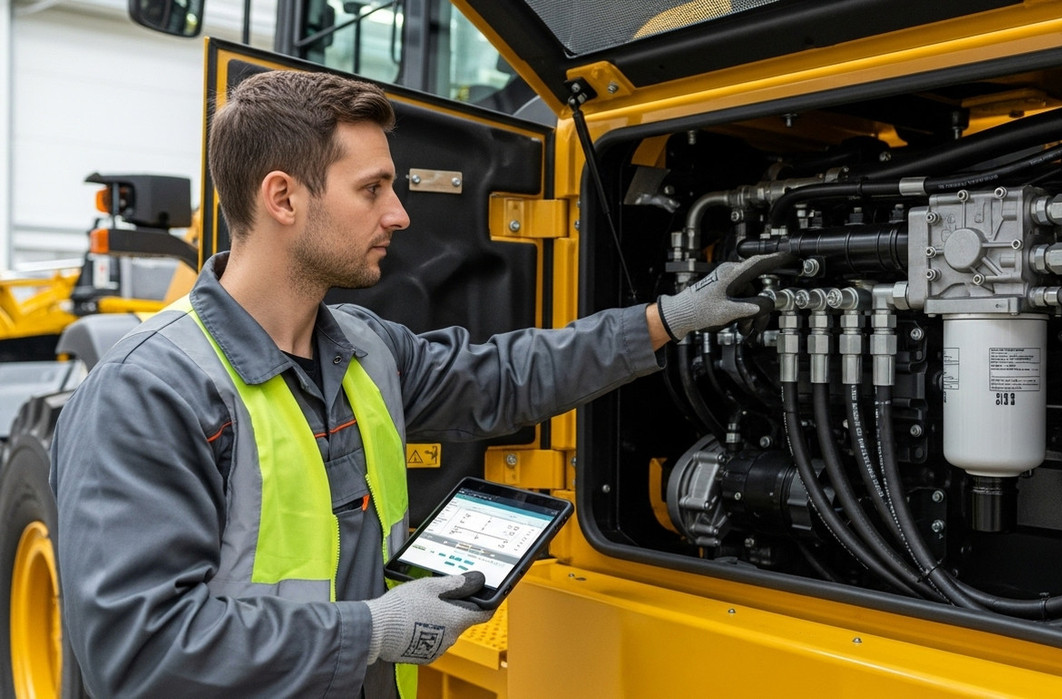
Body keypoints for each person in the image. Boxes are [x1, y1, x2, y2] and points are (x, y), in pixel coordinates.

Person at [49, 70, 785, 697]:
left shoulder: (365, 349)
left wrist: (667, 318)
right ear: (283, 198)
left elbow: (506, 376)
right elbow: (141, 652)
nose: (399, 214)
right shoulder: (149, 392)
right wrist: (374, 628)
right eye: (372, 189)